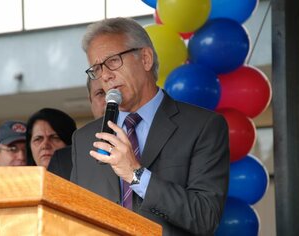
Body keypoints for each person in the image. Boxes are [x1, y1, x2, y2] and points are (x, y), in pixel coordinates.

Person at [70, 17, 230, 235]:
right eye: (96, 68)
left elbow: (205, 216)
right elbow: (74, 218)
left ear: (145, 58)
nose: (105, 76)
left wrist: (136, 175)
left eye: (113, 61)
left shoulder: (203, 127)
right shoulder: (84, 139)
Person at [47, 77, 106, 180]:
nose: (109, 100)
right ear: (90, 101)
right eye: (100, 93)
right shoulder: (64, 160)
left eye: (114, 92)